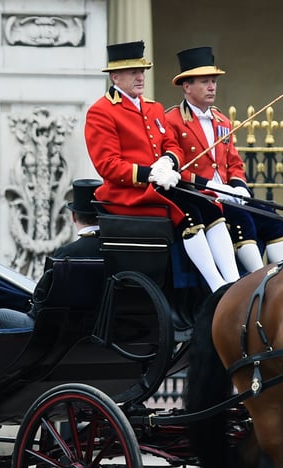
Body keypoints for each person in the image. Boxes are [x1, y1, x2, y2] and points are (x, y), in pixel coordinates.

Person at [84, 40, 240, 292]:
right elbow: (108, 166)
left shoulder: (153, 107)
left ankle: (234, 283)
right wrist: (151, 174)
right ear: (115, 77)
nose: (140, 77)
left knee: (210, 206)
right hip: (128, 196)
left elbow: (172, 145)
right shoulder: (101, 112)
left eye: (142, 71)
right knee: (189, 213)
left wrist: (168, 162)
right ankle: (217, 287)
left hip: (161, 187)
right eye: (133, 72)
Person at [165, 46, 283, 273]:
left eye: (214, 81)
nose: (212, 87)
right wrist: (212, 187)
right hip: (200, 197)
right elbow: (175, 167)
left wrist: (239, 187)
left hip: (229, 195)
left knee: (272, 218)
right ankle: (260, 278)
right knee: (242, 220)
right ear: (187, 86)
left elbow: (234, 163)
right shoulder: (172, 120)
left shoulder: (222, 121)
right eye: (205, 81)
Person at [0, 178, 103, 329]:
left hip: (64, 329)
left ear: (73, 216)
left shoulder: (67, 253)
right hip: (103, 326)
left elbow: (43, 300)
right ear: (101, 215)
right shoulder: (118, 250)